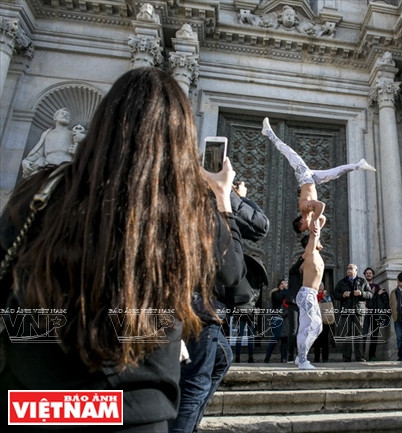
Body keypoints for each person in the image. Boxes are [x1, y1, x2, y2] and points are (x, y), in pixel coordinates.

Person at [0, 67, 238, 432]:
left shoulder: (39, 191)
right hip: (135, 406)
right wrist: (222, 196)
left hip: (35, 398)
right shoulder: (188, 211)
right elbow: (235, 279)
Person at [172, 177, 268, 433]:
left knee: (221, 358)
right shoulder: (213, 210)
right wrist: (233, 195)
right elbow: (258, 228)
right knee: (195, 382)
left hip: (183, 303)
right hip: (201, 305)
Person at [261, 117, 375, 234]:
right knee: (335, 173)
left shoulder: (304, 208)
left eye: (305, 227)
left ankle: (268, 132)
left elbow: (321, 205)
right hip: (313, 179)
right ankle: (358, 165)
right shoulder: (311, 213)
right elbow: (323, 218)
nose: (307, 227)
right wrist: (317, 229)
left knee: (289, 152)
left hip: (304, 177)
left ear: (302, 221)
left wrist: (314, 221)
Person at [295, 219, 326, 370]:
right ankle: (302, 359)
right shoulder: (311, 252)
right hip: (307, 294)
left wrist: (320, 221)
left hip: (310, 295)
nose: (320, 241)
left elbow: (322, 221)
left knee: (310, 327)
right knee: (314, 326)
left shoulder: (316, 256)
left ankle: (300, 355)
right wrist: (314, 217)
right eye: (317, 239)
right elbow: (315, 230)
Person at [333, 264, 372, 362]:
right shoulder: (342, 282)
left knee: (359, 333)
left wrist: (361, 293)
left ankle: (360, 356)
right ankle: (346, 356)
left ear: (356, 270)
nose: (349, 270)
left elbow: (370, 294)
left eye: (351, 268)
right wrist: (342, 295)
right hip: (346, 311)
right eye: (348, 268)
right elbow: (335, 294)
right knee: (346, 333)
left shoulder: (362, 281)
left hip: (358, 311)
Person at [21, 107, 76, 178]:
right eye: (62, 113)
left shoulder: (73, 133)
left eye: (67, 115)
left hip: (67, 164)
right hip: (47, 164)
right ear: (55, 118)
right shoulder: (47, 133)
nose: (65, 115)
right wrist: (27, 161)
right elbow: (39, 153)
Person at [363, 267, 389, 361]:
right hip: (365, 313)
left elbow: (377, 301)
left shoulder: (377, 287)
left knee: (374, 335)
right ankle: (362, 355)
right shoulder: (362, 285)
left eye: (370, 273)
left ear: (373, 275)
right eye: (367, 273)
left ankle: (372, 355)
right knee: (364, 334)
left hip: (375, 313)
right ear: (364, 275)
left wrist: (377, 294)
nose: (368, 274)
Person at [264, 278, 289, 363]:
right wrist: (286, 290)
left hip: (285, 318)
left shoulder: (286, 293)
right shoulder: (275, 293)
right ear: (279, 285)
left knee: (284, 339)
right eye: (282, 283)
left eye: (285, 283)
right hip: (276, 318)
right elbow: (280, 299)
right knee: (275, 338)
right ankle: (267, 358)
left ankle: (284, 358)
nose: (284, 285)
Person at [389, 280, 402, 361]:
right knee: (400, 338)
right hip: (398, 318)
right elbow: (391, 304)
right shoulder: (393, 292)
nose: (400, 282)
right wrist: (394, 314)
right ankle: (401, 356)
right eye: (399, 281)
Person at [314, 282, 332, 363]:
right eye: (318, 286)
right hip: (315, 319)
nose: (320, 287)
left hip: (325, 319)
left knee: (325, 339)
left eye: (321, 285)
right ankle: (316, 358)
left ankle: (325, 358)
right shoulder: (313, 295)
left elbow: (328, 304)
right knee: (316, 339)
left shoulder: (327, 295)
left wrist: (322, 296)